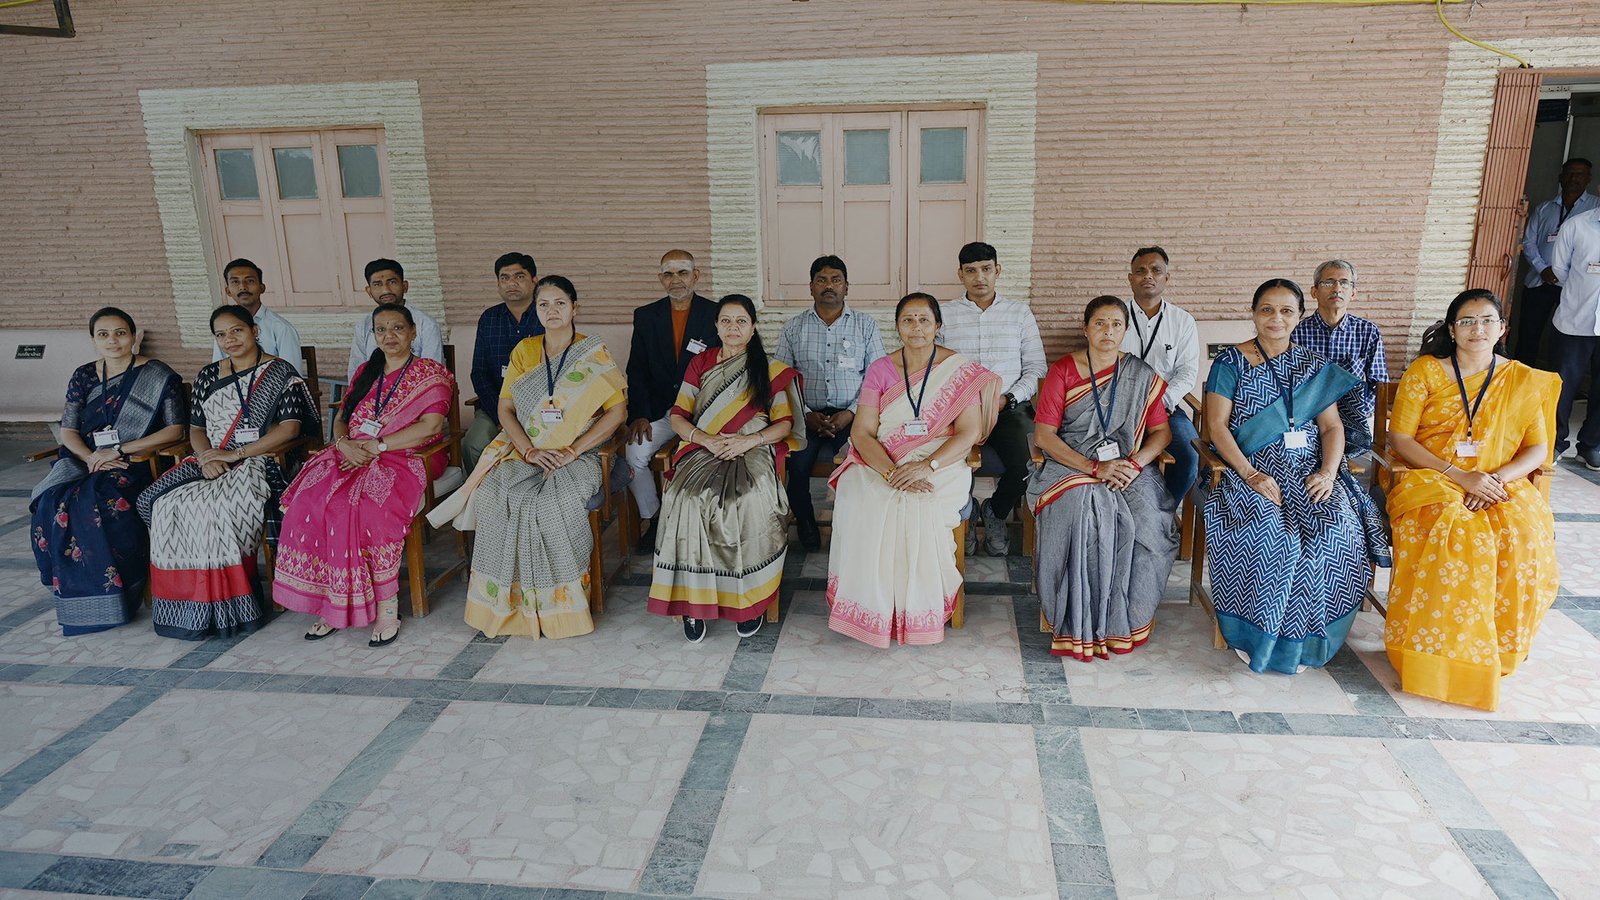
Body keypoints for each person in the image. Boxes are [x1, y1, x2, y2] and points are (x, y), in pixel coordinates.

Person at [1383, 289, 1561, 711]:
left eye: (1486, 320)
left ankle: (1495, 650)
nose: (1476, 329)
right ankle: (1433, 653)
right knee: (1456, 533)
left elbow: (1537, 449)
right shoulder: (1427, 371)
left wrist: (1494, 479)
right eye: (1466, 321)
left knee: (1522, 537)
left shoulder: (1521, 379)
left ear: (1502, 329)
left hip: (1500, 480)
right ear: (1452, 329)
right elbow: (1400, 438)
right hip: (1432, 476)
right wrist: (1461, 476)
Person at [1201, 279, 1388, 673]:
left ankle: (1307, 641)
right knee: (1273, 537)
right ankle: (1259, 636)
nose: (1276, 318)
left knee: (1334, 531)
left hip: (1308, 472)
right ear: (1253, 314)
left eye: (1286, 311)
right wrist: (1251, 474)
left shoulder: (1312, 366)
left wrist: (1328, 472)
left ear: (1299, 316)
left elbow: (1332, 428)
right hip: (1249, 471)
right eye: (1267, 309)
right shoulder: (1230, 363)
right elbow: (1216, 427)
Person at [431, 275, 627, 639]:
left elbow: (617, 413)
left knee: (551, 505)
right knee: (493, 496)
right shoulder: (524, 351)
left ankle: (560, 610)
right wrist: (529, 449)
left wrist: (572, 450)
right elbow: (505, 409)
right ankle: (506, 605)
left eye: (560, 303)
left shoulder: (593, 353)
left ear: (574, 308)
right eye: (544, 304)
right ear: (536, 310)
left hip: (579, 454)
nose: (552, 311)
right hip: (528, 450)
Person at [138, 304, 320, 640]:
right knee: (164, 504)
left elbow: (290, 429)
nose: (230, 339)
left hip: (260, 460)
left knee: (217, 509)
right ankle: (188, 608)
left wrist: (235, 454)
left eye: (236, 330)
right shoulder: (208, 375)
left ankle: (233, 607)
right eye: (221, 335)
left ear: (255, 331)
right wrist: (205, 458)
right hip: (210, 460)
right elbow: (196, 429)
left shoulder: (281, 373)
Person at [276, 304, 454, 647]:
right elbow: (342, 418)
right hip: (353, 450)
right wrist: (343, 444)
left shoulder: (430, 374)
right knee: (311, 500)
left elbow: (431, 426)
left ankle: (387, 606)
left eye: (398, 328)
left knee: (368, 508)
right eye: (381, 330)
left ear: (413, 332)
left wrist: (378, 446)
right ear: (373, 335)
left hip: (406, 455)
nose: (390, 336)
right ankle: (332, 603)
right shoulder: (365, 372)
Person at [827, 293, 1000, 648]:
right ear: (897, 326)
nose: (916, 327)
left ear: (938, 326)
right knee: (863, 500)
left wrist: (926, 466)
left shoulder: (959, 370)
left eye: (924, 320)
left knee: (918, 507)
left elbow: (968, 433)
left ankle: (915, 611)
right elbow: (862, 432)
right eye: (908, 320)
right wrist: (891, 472)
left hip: (941, 462)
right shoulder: (880, 369)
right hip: (884, 460)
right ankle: (877, 611)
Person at [1028, 297, 1179, 661]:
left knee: (1151, 525)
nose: (1108, 331)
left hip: (1127, 466)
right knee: (1089, 516)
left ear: (1125, 331)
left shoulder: (1140, 375)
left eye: (1116, 324)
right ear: (1086, 328)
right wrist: (1093, 468)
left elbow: (1162, 433)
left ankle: (1125, 621)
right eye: (1099, 323)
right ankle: (1080, 624)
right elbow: (1045, 436)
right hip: (1071, 464)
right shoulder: (1063, 371)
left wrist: (1135, 463)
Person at [649, 295, 804, 642]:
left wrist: (748, 441)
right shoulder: (700, 363)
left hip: (753, 447)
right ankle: (693, 601)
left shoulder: (769, 369)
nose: (733, 328)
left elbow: (784, 424)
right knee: (685, 498)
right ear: (716, 326)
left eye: (741, 321)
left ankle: (749, 601)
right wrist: (705, 440)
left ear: (753, 327)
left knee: (744, 500)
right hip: (705, 446)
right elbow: (678, 415)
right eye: (726, 321)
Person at [30, 308, 187, 635]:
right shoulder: (84, 375)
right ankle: (74, 593)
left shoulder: (159, 375)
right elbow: (68, 429)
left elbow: (175, 430)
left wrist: (118, 450)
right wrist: (91, 457)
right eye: (103, 334)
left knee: (102, 500)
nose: (112, 340)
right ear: (93, 340)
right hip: (84, 459)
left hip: (135, 460)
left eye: (120, 333)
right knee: (51, 500)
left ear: (133, 337)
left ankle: (119, 593)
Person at [938, 242, 1045, 556]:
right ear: (960, 274)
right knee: (946, 460)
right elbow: (935, 368)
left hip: (1008, 407)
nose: (979, 277)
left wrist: (1008, 399)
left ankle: (996, 511)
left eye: (986, 269)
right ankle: (966, 512)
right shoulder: (944, 315)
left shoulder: (1019, 314)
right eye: (971, 271)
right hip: (958, 410)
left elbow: (1036, 368)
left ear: (997, 270)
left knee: (1029, 462)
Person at [774, 255, 885, 551]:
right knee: (796, 465)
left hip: (853, 415)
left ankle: (853, 526)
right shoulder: (793, 328)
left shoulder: (865, 326)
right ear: (811, 287)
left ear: (846, 287)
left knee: (858, 464)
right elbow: (782, 378)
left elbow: (877, 378)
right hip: (806, 415)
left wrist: (851, 413)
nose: (829, 286)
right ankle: (806, 523)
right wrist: (806, 413)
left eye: (836, 280)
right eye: (821, 280)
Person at [624, 250, 720, 552]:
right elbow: (636, 369)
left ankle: (706, 526)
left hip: (704, 413)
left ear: (696, 276)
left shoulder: (716, 314)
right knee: (634, 452)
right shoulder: (646, 316)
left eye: (682, 272)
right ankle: (655, 519)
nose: (675, 279)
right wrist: (639, 414)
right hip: (662, 412)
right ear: (660, 279)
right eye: (668, 274)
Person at [1121, 246, 1201, 502]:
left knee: (1190, 456)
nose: (1148, 275)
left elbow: (1187, 372)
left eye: (1156, 270)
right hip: (1119, 409)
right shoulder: (1115, 316)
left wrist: (1161, 401)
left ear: (1167, 277)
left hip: (1165, 408)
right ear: (1130, 278)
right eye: (1140, 271)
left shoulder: (1182, 321)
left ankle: (1163, 512)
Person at [1290, 260, 1389, 455]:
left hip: (1354, 423)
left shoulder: (1367, 332)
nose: (1337, 288)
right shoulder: (1296, 332)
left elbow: (1379, 384)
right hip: (1306, 419)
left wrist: (1358, 413)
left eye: (1344, 283)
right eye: (1328, 282)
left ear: (1353, 292)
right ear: (1314, 292)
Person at [464, 252, 543, 471]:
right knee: (472, 445)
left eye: (519, 276)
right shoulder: (489, 318)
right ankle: (480, 493)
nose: (511, 283)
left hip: (540, 408)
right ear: (498, 284)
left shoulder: (547, 314)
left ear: (534, 280)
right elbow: (479, 373)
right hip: (495, 405)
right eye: (504, 278)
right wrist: (500, 415)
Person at [1517, 158, 1595, 365]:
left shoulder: (1595, 208)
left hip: (1573, 286)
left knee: (1564, 339)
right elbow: (1528, 242)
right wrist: (1542, 268)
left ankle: (1555, 379)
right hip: (1539, 281)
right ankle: (1522, 376)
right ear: (1561, 177)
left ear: (1588, 179)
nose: (1574, 178)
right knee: (1528, 333)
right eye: (1570, 173)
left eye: (1580, 174)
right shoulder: (1544, 208)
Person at [1550, 199, 1600, 469]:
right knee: (1563, 386)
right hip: (1574, 321)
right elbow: (1560, 270)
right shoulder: (1577, 226)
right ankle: (1555, 442)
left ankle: (1591, 446)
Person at [344, 258, 445, 379]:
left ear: (405, 286)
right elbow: (356, 374)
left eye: (392, 282)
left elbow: (432, 374)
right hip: (373, 390)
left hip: (417, 389)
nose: (386, 290)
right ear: (369, 291)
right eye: (377, 284)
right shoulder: (363, 326)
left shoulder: (426, 324)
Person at [210, 258, 304, 375]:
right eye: (235, 282)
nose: (242, 287)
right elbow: (218, 372)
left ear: (262, 288)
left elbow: (292, 376)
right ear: (228, 290)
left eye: (250, 281)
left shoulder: (281, 328)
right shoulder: (223, 331)